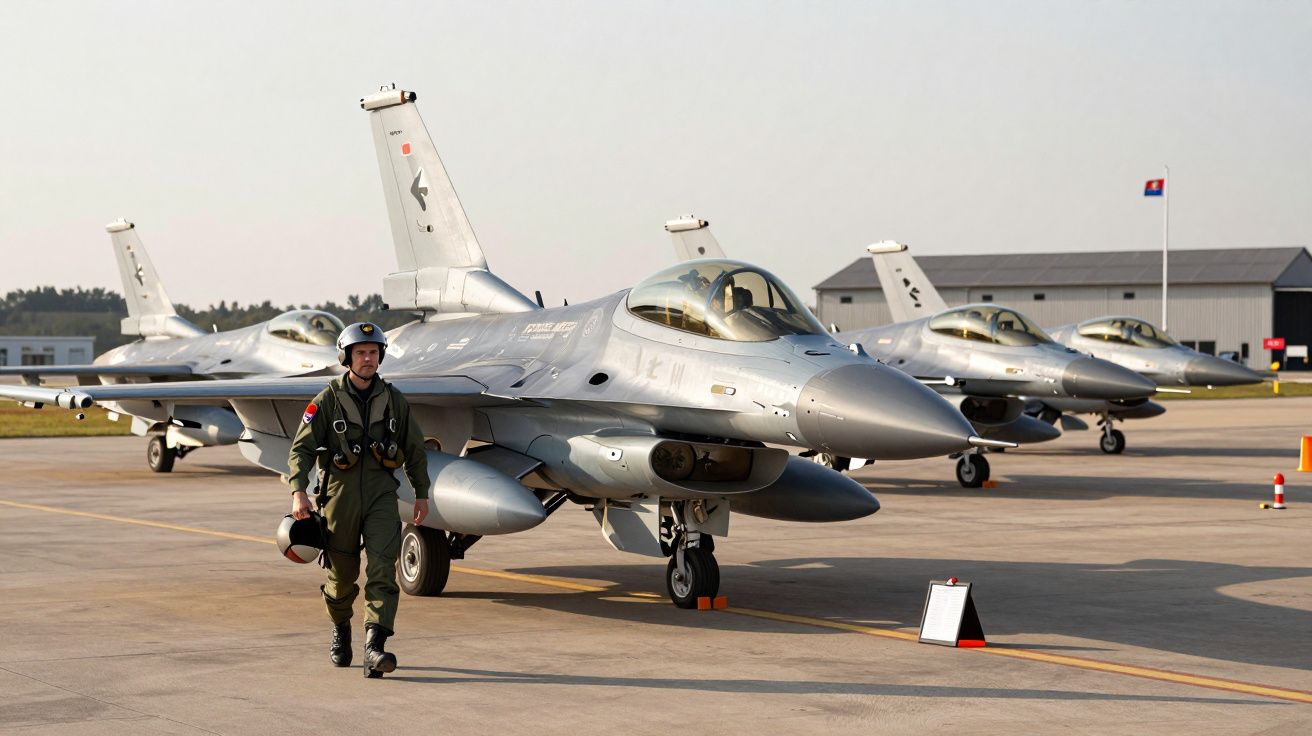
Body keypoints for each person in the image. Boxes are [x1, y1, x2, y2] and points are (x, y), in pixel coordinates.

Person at [287, 321, 431, 678]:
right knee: (342, 579)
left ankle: (374, 646)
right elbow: (301, 449)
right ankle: (340, 630)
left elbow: (415, 449)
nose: (367, 359)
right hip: (339, 497)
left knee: (383, 569)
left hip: (382, 496)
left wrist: (422, 493)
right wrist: (298, 491)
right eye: (360, 353)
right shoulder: (327, 401)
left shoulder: (395, 401)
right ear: (347, 357)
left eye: (372, 353)